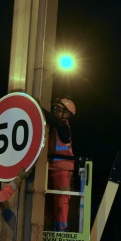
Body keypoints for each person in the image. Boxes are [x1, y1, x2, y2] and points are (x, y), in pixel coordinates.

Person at [43, 96, 76, 231]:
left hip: (63, 167)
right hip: (49, 166)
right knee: (47, 199)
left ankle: (61, 230)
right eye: (54, 108)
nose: (55, 111)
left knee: (61, 199)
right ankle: (47, 226)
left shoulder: (64, 127)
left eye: (58, 109)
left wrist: (39, 107)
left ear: (67, 114)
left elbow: (56, 121)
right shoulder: (51, 127)